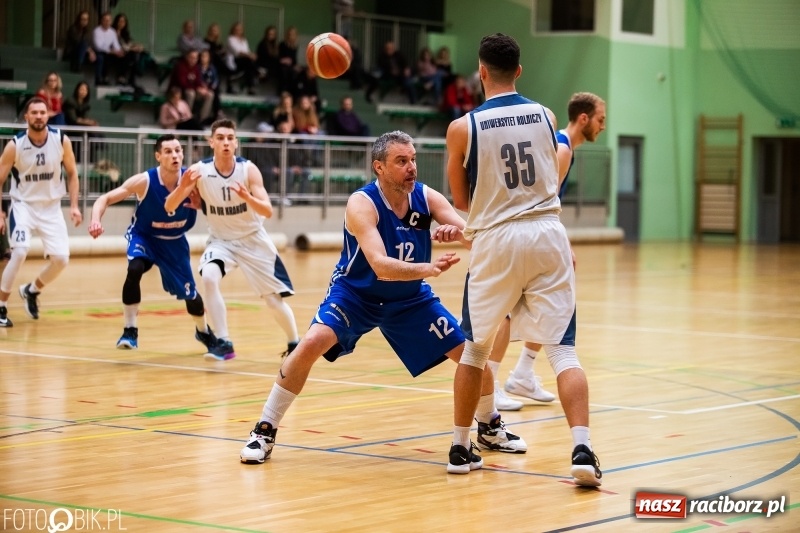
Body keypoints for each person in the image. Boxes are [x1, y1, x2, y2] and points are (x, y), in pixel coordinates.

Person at [236, 131, 527, 474]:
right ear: (379, 167)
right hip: (357, 293)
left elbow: (472, 236)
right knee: (312, 342)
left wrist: (457, 235)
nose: (411, 167)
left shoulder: (426, 197)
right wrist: (428, 268)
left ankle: (490, 425)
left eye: (413, 159)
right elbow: (380, 265)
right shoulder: (362, 203)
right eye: (401, 161)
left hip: (410, 299)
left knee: (469, 355)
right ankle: (265, 429)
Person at [445, 33, 602, 486]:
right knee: (564, 350)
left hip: (496, 238)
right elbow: (550, 175)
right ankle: (583, 451)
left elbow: (461, 199)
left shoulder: (462, 128)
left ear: (480, 71)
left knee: (474, 349)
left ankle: (460, 445)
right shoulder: (547, 116)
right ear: (519, 71)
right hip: (547, 232)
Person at [490, 92, 607, 410]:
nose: (603, 126)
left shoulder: (567, 147)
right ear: (583, 118)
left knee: (548, 303)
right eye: (600, 119)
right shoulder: (563, 149)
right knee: (509, 310)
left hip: (535, 232)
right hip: (526, 234)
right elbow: (541, 198)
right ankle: (494, 383)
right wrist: (561, 242)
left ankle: (523, 374)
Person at [164, 119, 301, 360]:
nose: (225, 142)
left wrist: (247, 197)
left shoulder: (248, 170)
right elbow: (169, 206)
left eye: (230, 138)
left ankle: (294, 342)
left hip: (252, 239)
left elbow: (267, 210)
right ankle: (224, 342)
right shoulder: (198, 171)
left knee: (272, 300)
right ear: (211, 142)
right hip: (221, 241)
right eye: (220, 138)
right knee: (208, 276)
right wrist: (182, 186)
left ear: (236, 143)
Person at [87, 134, 227, 358]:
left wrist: (202, 205)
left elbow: (218, 205)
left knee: (191, 295)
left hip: (174, 242)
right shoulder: (145, 181)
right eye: (169, 151)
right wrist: (96, 220)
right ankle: (130, 330)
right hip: (145, 237)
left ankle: (203, 331)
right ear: (158, 156)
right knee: (134, 270)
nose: (175, 155)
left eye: (178, 150)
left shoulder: (194, 181)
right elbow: (103, 199)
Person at [0, 98, 82, 327]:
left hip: (51, 207)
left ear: (48, 116)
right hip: (23, 205)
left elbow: (73, 174)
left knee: (61, 259)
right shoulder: (15, 145)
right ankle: (1, 306)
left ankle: (31, 290)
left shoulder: (61, 140)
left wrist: (74, 206)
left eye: (42, 112)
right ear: (26, 117)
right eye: (33, 112)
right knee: (19, 252)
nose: (38, 116)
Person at [169, 49, 214, 124]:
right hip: (179, 91)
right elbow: (182, 84)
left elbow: (198, 81)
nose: (194, 60)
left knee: (209, 94)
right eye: (192, 57)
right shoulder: (180, 66)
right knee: (191, 93)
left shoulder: (196, 67)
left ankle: (203, 120)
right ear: (187, 57)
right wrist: (197, 88)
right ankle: (187, 119)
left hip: (193, 90)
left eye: (196, 58)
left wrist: (203, 89)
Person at [93, 12, 126, 86]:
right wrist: (112, 51)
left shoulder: (112, 32)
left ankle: (121, 79)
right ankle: (99, 79)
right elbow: (99, 46)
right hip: (98, 52)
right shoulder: (97, 31)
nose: (107, 22)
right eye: (105, 20)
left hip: (109, 52)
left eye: (109, 20)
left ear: (111, 22)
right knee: (102, 57)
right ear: (101, 21)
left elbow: (116, 45)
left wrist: (119, 51)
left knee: (123, 56)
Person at [226, 22, 258, 95]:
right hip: (235, 60)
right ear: (233, 30)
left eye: (240, 29)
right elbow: (237, 52)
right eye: (236, 29)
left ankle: (251, 86)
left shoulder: (244, 40)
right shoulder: (231, 39)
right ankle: (257, 73)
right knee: (248, 61)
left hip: (245, 60)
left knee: (250, 61)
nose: (238, 31)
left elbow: (247, 50)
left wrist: (252, 55)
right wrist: (249, 55)